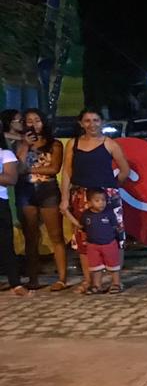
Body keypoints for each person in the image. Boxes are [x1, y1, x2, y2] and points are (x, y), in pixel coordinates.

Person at [60, 108, 130, 294]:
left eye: (96, 120)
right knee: (84, 238)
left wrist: (112, 189)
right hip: (81, 196)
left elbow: (124, 170)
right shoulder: (73, 144)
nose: (92, 124)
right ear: (81, 123)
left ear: (103, 122)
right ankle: (89, 280)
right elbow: (67, 172)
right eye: (88, 120)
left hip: (107, 195)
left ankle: (116, 280)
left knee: (115, 237)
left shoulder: (110, 144)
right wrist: (65, 197)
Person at [15, 109, 68, 290]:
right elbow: (17, 166)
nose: (33, 124)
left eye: (37, 120)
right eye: (29, 121)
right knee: (30, 236)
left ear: (43, 122)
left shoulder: (55, 144)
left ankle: (61, 278)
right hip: (25, 191)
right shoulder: (20, 144)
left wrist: (29, 170)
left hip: (48, 191)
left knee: (56, 236)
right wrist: (24, 145)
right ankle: (33, 278)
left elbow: (54, 169)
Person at [73, 189, 124, 294]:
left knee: (113, 265)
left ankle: (116, 283)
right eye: (97, 200)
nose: (101, 203)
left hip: (109, 243)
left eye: (103, 200)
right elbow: (81, 227)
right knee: (95, 267)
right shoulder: (86, 215)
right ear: (90, 203)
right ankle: (97, 285)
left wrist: (117, 238)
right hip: (93, 245)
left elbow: (115, 226)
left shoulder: (109, 213)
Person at [0, 139, 25, 295]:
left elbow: (11, 179)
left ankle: (15, 283)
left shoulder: (5, 154)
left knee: (5, 244)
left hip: (0, 202)